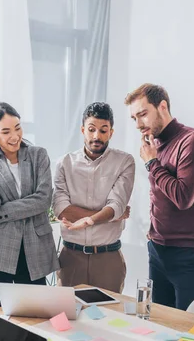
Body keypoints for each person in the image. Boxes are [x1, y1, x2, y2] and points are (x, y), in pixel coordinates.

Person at [124, 83, 194, 311]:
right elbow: (160, 195)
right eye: (134, 118)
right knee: (159, 326)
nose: (138, 124)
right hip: (158, 249)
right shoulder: (154, 144)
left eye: (143, 114)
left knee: (187, 331)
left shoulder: (193, 141)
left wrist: (152, 163)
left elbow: (183, 198)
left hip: (189, 254)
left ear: (162, 106)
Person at [0, 102, 59, 303]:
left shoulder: (38, 155)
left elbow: (42, 200)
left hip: (34, 250)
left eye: (18, 128)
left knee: (35, 319)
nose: (14, 136)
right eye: (5, 131)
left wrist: (0, 215)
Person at [53, 102, 135, 293]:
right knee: (68, 319)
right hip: (70, 258)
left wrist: (108, 213)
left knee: (109, 320)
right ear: (83, 130)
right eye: (91, 129)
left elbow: (116, 205)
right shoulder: (64, 163)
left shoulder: (124, 162)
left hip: (108, 258)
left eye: (103, 130)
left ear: (111, 133)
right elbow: (61, 209)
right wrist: (107, 215)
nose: (96, 136)